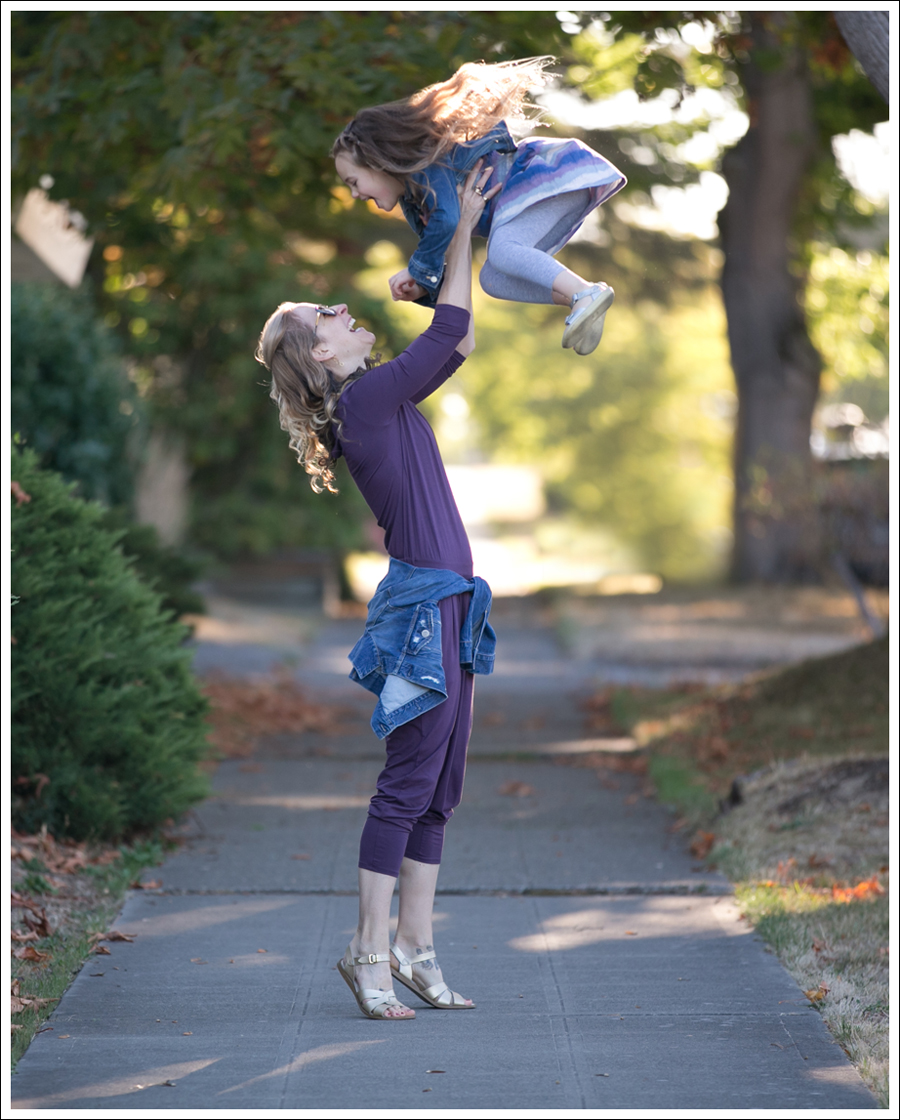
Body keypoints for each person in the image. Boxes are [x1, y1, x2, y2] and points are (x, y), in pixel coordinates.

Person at [256, 165, 498, 1020]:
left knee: (439, 788)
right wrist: (463, 222)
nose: (342, 311)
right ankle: (367, 951)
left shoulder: (378, 401)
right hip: (424, 612)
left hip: (451, 602)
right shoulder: (364, 403)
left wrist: (457, 243)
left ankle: (415, 948)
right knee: (406, 784)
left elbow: (458, 342)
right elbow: (455, 327)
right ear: (319, 354)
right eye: (326, 315)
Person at [331, 57, 627, 355]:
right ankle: (584, 300)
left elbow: (448, 221)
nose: (355, 194)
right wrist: (422, 287)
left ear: (377, 162)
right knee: (492, 280)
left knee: (503, 249)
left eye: (354, 181)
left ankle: (584, 293)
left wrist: (418, 270)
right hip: (537, 195)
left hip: (545, 176)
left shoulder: (428, 168)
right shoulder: (416, 203)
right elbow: (446, 257)